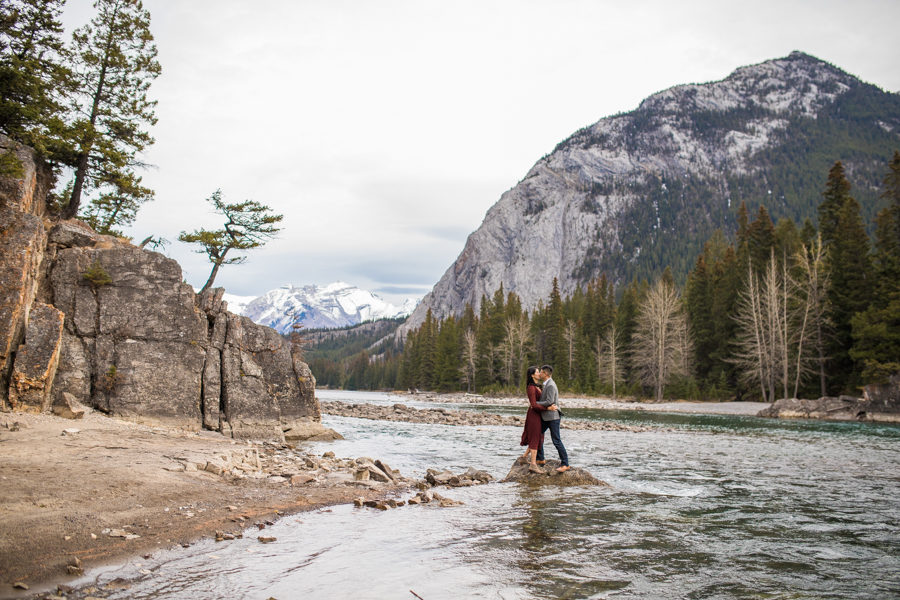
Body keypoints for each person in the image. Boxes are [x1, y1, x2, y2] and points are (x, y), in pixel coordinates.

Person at [535, 364, 570, 472]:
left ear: (545, 374)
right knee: (538, 434)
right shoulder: (546, 384)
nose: (539, 373)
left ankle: (565, 464)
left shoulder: (550, 385)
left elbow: (550, 401)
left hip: (553, 417)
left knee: (556, 440)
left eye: (540, 372)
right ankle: (540, 458)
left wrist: (535, 403)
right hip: (547, 417)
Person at [520, 366, 547, 473]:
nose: (539, 373)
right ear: (532, 375)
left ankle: (524, 457)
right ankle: (533, 464)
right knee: (535, 438)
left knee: (538, 436)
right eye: (537, 372)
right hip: (534, 415)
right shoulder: (531, 387)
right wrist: (547, 408)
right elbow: (534, 405)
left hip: (538, 415)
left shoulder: (537, 386)